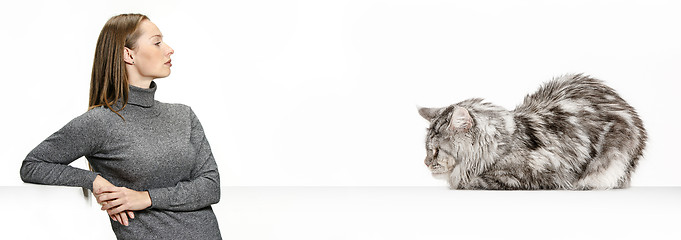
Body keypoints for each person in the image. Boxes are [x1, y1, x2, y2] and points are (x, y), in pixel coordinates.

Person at [19, 13, 222, 239]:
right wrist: (94, 181)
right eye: (157, 42)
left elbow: (211, 187)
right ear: (128, 54)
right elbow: (33, 165)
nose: (169, 49)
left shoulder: (183, 115)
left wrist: (146, 198)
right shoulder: (101, 122)